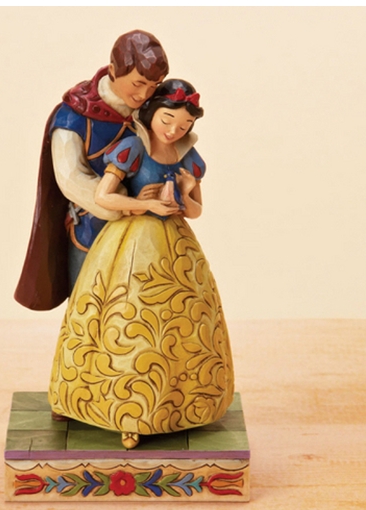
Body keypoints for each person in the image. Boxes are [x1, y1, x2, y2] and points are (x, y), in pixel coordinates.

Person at [48, 79, 235, 449]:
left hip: (175, 245)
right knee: (124, 316)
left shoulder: (188, 157)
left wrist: (184, 194)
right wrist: (144, 204)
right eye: (167, 120)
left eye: (184, 125)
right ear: (151, 114)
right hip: (130, 242)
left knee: (180, 322)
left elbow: (196, 211)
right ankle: (125, 411)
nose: (174, 131)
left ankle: (178, 404)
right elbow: (104, 196)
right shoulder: (132, 147)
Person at [14, 30, 169, 311]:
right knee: (90, 301)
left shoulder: (153, 108)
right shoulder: (73, 118)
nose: (144, 94)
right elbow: (71, 179)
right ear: (113, 71)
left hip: (148, 230)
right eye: (138, 83)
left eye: (153, 86)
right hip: (92, 230)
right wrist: (123, 204)